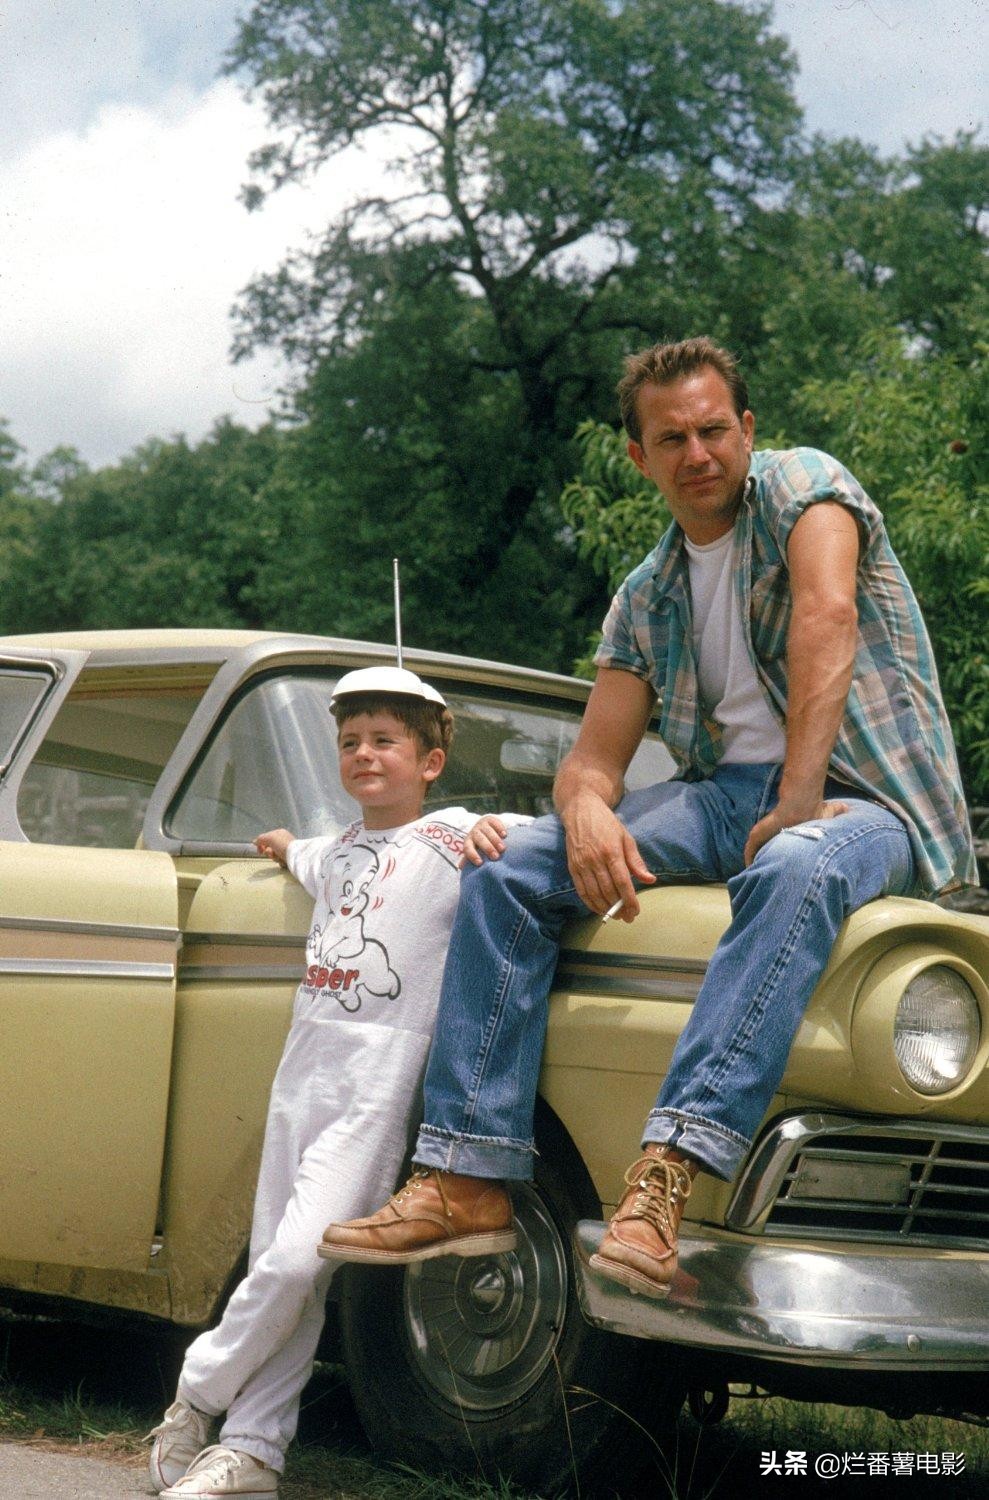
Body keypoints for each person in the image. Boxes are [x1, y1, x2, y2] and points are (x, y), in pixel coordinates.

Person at [321, 336, 977, 1301]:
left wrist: (798, 799)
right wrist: (586, 812)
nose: (697, 453)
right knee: (505, 868)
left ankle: (664, 1178)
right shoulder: (646, 593)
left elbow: (826, 615)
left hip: (863, 798)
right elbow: (593, 760)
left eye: (713, 430)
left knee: (793, 863)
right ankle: (466, 1173)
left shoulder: (803, 486)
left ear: (746, 430)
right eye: (671, 439)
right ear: (639, 457)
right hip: (724, 797)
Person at [146, 666, 528, 1497]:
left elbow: (525, 838)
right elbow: (303, 853)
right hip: (303, 1070)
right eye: (350, 741)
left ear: (429, 762)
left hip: (376, 1082)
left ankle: (196, 1390)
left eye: (385, 741)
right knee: (280, 1268)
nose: (364, 754)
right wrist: (282, 844)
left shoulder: (452, 835)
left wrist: (508, 831)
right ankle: (254, 1450)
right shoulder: (339, 849)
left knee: (296, 1261)